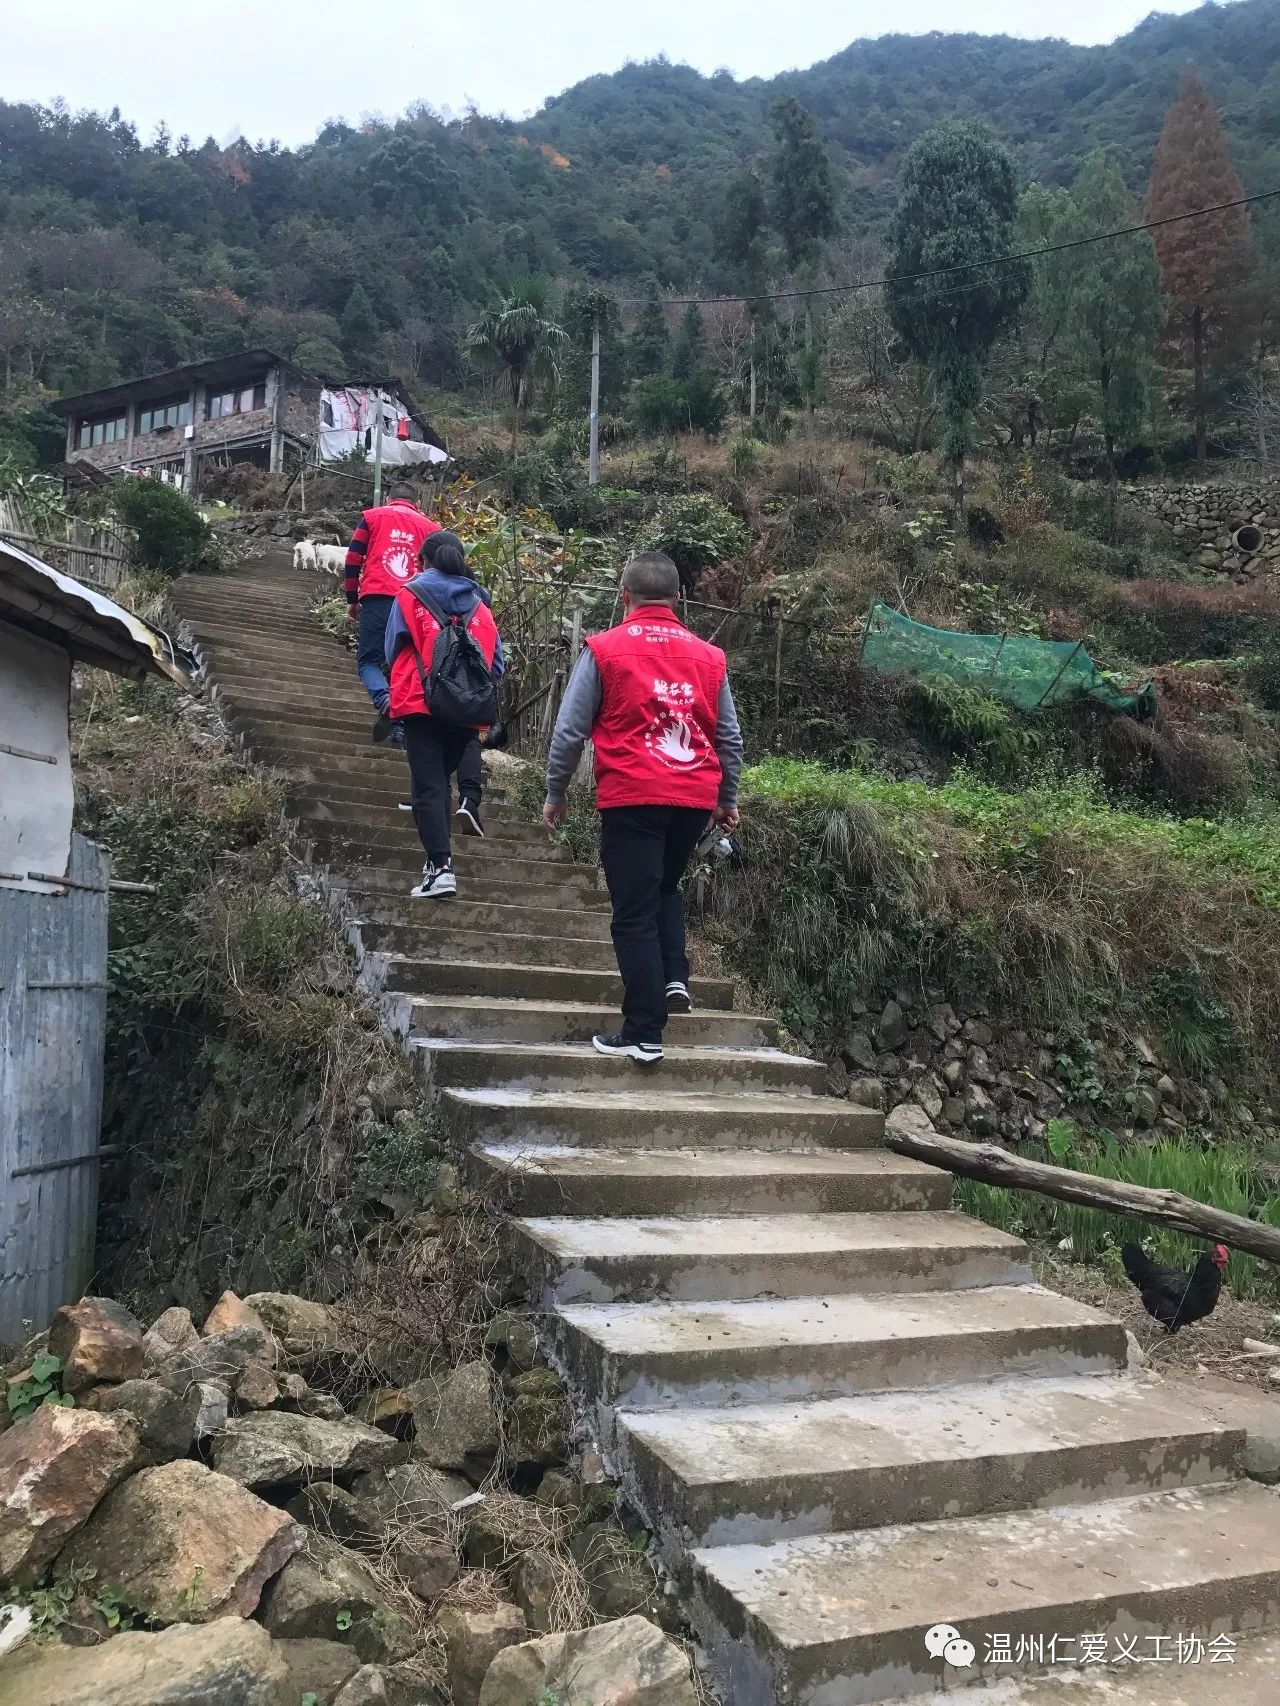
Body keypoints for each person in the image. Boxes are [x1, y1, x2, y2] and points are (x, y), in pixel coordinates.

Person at [543, 551, 743, 1064]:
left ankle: (643, 1032)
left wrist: (556, 792)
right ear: (679, 598)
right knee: (665, 888)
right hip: (692, 798)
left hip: (633, 795)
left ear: (623, 595)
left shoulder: (605, 648)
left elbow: (569, 730)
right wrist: (726, 800)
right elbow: (729, 738)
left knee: (632, 914)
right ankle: (674, 977)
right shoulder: (708, 656)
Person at [385, 531, 505, 899]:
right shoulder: (481, 608)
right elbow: (496, 665)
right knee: (437, 783)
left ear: (424, 561)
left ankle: (441, 869)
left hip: (422, 705)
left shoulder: (409, 596)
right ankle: (433, 866)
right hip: (467, 712)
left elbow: (391, 650)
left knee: (428, 788)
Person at [343, 482, 440, 749]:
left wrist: (352, 600)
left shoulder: (372, 517)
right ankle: (399, 729)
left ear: (388, 499)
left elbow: (352, 559)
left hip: (377, 599)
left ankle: (385, 701)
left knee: (369, 662)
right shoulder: (431, 529)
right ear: (417, 504)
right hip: (415, 602)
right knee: (405, 664)